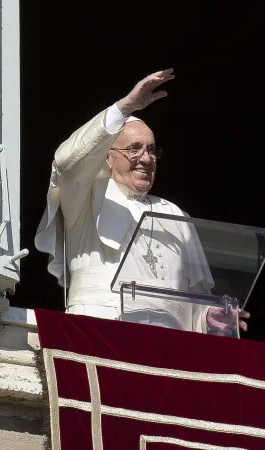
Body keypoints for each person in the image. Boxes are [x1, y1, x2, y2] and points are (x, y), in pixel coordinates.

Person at [34, 69, 248, 334]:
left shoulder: (173, 212)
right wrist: (126, 107)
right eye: (133, 148)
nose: (146, 158)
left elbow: (192, 298)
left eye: (151, 150)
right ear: (108, 158)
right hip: (101, 330)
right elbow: (66, 162)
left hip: (168, 342)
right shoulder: (86, 195)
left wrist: (207, 317)